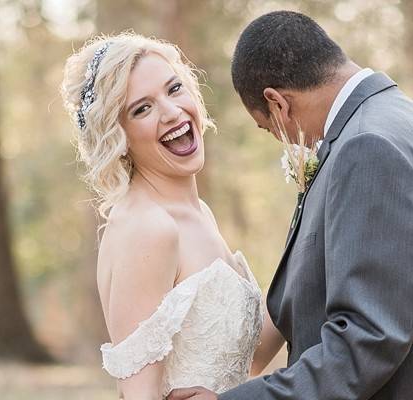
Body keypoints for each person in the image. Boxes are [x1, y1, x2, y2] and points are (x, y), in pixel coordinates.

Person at [168, 10, 413, 400]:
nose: (290, 144)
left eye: (269, 129)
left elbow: (369, 339)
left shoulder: (367, 146)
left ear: (277, 104)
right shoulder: (399, 118)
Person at [61, 33, 282, 399]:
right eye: (142, 108)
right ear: (119, 137)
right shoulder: (148, 228)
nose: (172, 112)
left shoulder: (197, 213)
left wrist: (312, 248)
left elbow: (244, 360)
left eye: (174, 88)